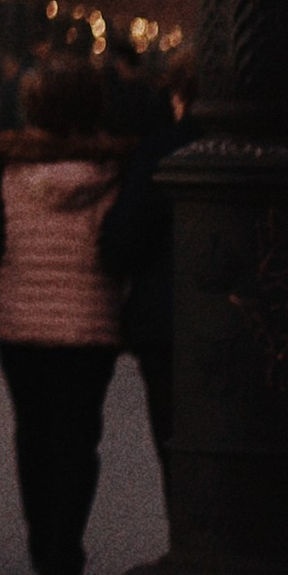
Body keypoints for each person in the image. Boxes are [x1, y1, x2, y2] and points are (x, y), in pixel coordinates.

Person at [0, 56, 128, 575]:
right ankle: (66, 548)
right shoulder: (115, 169)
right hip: (91, 323)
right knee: (79, 438)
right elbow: (121, 247)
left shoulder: (5, 167)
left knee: (34, 432)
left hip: (20, 322)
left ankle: (40, 540)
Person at [98, 45, 189, 483]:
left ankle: (188, 534)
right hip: (261, 324)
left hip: (167, 322)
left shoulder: (161, 152)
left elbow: (123, 239)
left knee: (176, 444)